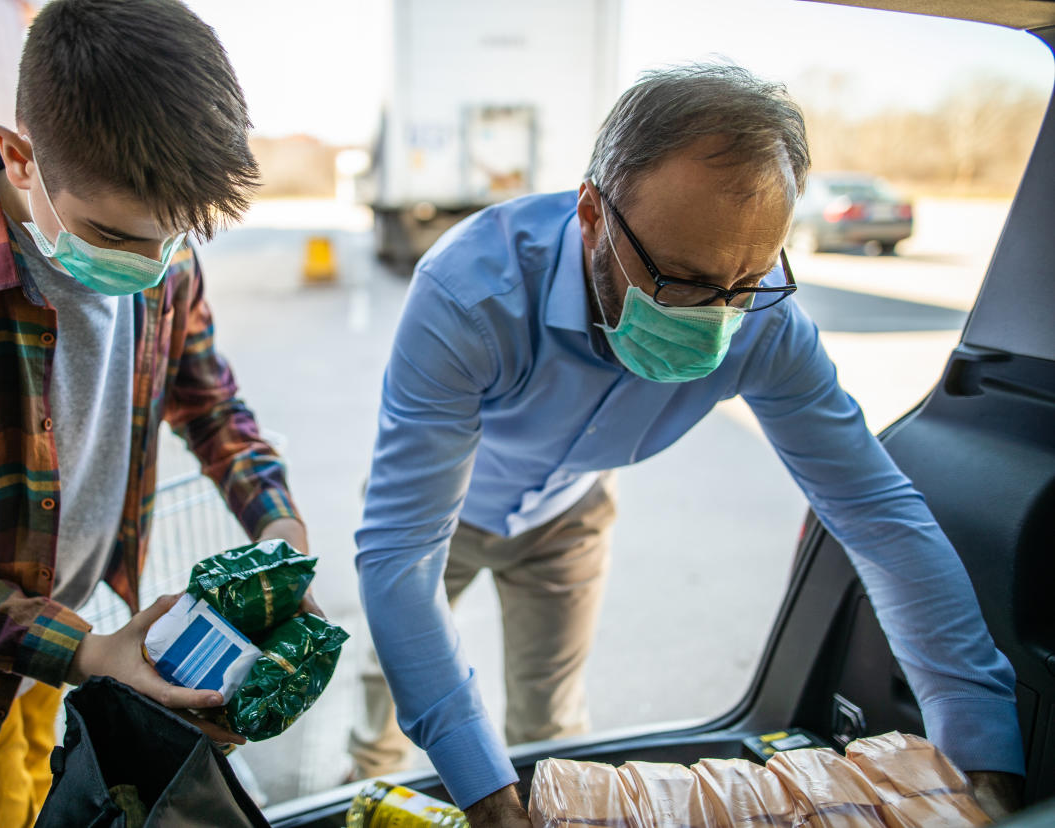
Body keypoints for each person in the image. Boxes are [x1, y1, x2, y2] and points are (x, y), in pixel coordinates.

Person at [350, 64, 1023, 826]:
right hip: (454, 508)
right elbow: (402, 550)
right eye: (683, 282)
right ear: (592, 215)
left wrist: (983, 752)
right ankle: (361, 779)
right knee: (390, 693)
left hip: (568, 518)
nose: (718, 318)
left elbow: (875, 510)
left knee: (550, 726)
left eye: (749, 280)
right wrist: (479, 790)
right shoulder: (470, 295)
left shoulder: (764, 323)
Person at [0, 1, 313, 826]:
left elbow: (209, 397)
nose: (151, 268)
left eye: (175, 239)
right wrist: (87, 653)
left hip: (55, 640)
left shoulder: (161, 258)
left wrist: (278, 525)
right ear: (19, 158)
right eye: (114, 236)